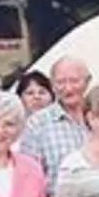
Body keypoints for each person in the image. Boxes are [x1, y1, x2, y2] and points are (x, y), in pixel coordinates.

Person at [22, 57, 93, 190]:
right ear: (52, 85)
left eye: (74, 81)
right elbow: (29, 179)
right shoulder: (37, 124)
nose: (68, 88)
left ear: (87, 81)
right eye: (60, 82)